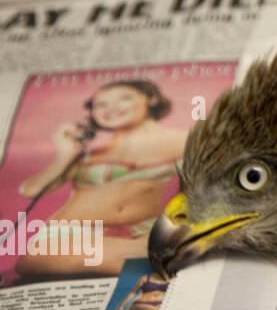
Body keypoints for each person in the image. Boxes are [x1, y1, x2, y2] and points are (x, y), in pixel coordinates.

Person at [15, 79, 187, 279]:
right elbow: (31, 190)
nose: (111, 108)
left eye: (125, 98)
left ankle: (142, 259)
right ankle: (146, 259)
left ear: (152, 99)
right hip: (72, 234)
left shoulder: (184, 140)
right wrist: (66, 154)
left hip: (144, 230)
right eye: (100, 104)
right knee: (39, 256)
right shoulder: (88, 153)